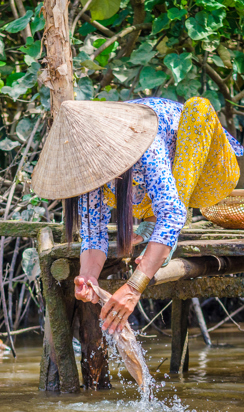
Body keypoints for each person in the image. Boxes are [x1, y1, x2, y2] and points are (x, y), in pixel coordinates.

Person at [32, 96, 243, 336]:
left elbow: (173, 212)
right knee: (149, 197)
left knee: (198, 107)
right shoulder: (87, 163)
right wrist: (87, 276)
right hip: (153, 194)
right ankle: (155, 226)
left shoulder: (145, 144)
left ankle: (161, 232)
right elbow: (93, 234)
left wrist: (134, 287)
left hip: (211, 174)